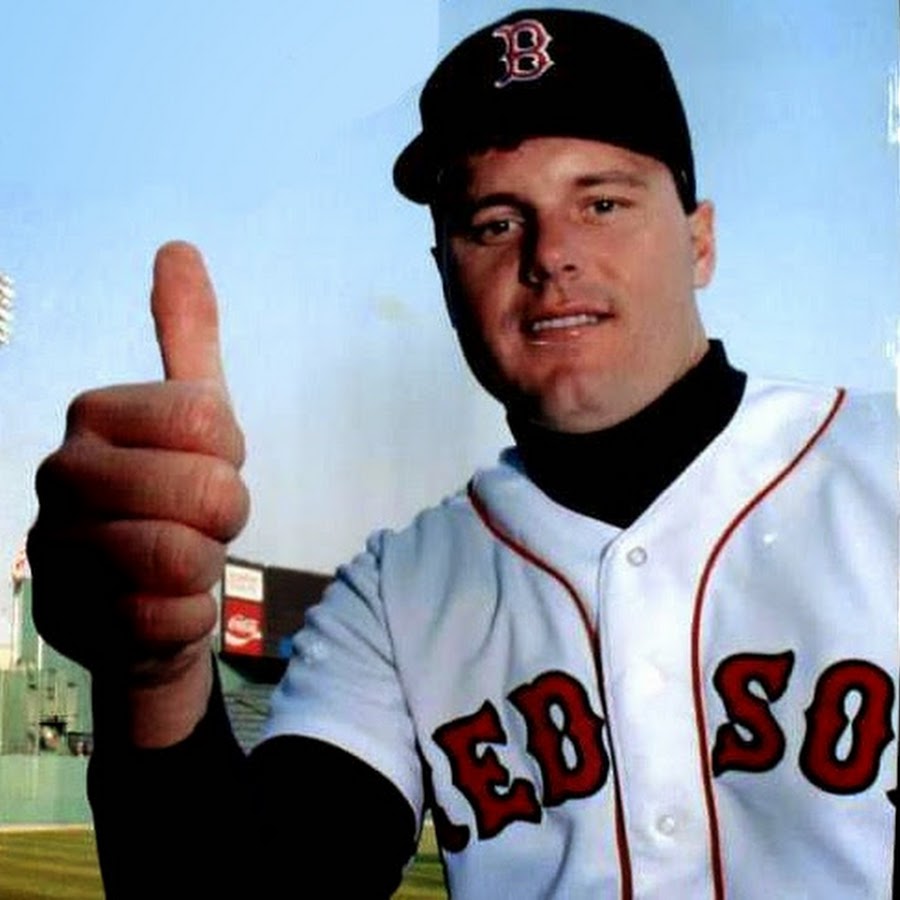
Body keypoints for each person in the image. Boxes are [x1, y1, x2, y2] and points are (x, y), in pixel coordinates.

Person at [27, 8, 897, 898]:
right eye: (494, 223)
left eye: (601, 203)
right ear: (445, 278)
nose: (552, 256)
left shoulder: (885, 463)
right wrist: (155, 679)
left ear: (700, 240)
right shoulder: (394, 596)